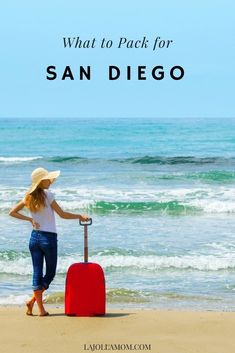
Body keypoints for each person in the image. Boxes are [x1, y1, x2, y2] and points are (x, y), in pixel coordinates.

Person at [9, 167, 90, 317]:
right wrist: (80, 216)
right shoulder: (48, 195)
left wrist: (30, 219)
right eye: (48, 179)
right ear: (41, 181)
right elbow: (62, 214)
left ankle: (38, 308)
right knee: (50, 273)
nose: (51, 181)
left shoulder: (28, 196)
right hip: (48, 238)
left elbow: (12, 212)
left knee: (37, 273)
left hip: (34, 238)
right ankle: (33, 302)